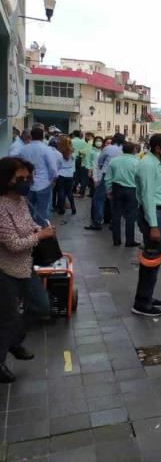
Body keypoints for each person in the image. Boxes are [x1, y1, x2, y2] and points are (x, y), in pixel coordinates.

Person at [0, 157, 56, 383]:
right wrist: (39, 236)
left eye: (28, 178)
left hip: (24, 266)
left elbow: (28, 223)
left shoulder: (20, 200)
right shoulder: (1, 206)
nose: (26, 182)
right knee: (7, 317)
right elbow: (12, 244)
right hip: (5, 269)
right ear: (6, 180)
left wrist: (40, 229)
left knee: (41, 306)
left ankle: (14, 341)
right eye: (20, 178)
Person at [133, 134, 161, 317]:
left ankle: (147, 296)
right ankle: (142, 302)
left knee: (155, 258)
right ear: (158, 148)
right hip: (155, 215)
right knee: (151, 258)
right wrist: (154, 225)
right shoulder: (149, 165)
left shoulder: (157, 163)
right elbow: (148, 197)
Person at [18, 127, 59, 225]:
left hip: (28, 184)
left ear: (31, 136)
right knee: (43, 210)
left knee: (27, 210)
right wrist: (53, 180)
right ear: (43, 136)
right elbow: (53, 168)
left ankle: (28, 229)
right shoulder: (46, 149)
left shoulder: (23, 149)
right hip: (43, 184)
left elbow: (19, 165)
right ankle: (42, 231)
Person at [86, 133, 124, 231]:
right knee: (113, 200)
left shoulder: (108, 148)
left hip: (107, 175)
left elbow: (100, 161)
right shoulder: (124, 149)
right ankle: (114, 222)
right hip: (120, 177)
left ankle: (97, 222)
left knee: (98, 198)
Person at [106, 142, 140, 247]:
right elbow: (140, 179)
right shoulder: (137, 162)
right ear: (134, 150)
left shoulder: (114, 161)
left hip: (117, 188)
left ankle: (116, 240)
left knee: (116, 214)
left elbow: (108, 178)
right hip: (132, 190)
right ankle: (129, 240)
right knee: (130, 216)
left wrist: (109, 190)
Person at [55, 136, 76, 216]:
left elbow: (57, 163)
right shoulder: (72, 151)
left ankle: (61, 208)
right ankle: (73, 207)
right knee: (69, 192)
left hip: (61, 173)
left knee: (61, 191)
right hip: (70, 174)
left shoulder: (59, 151)